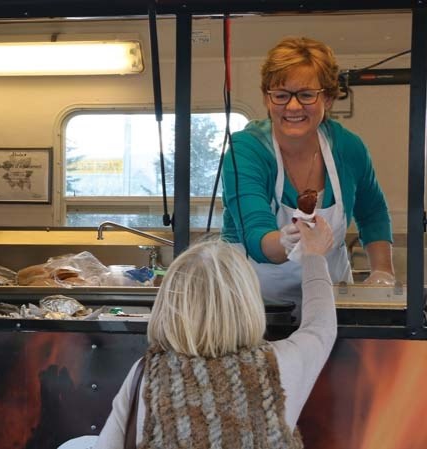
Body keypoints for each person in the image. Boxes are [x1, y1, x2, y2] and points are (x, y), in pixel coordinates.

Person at [94, 217, 336, 449]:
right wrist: (313, 257)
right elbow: (320, 325)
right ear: (249, 301)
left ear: (169, 303)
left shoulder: (146, 373)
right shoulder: (283, 364)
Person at [221, 36, 395, 306]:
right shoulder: (246, 150)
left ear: (327, 97)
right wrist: (285, 242)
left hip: (328, 301)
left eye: (305, 95)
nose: (292, 107)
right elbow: (255, 235)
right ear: (267, 99)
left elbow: (373, 213)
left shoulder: (348, 148)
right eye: (280, 95)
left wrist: (383, 272)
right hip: (253, 307)